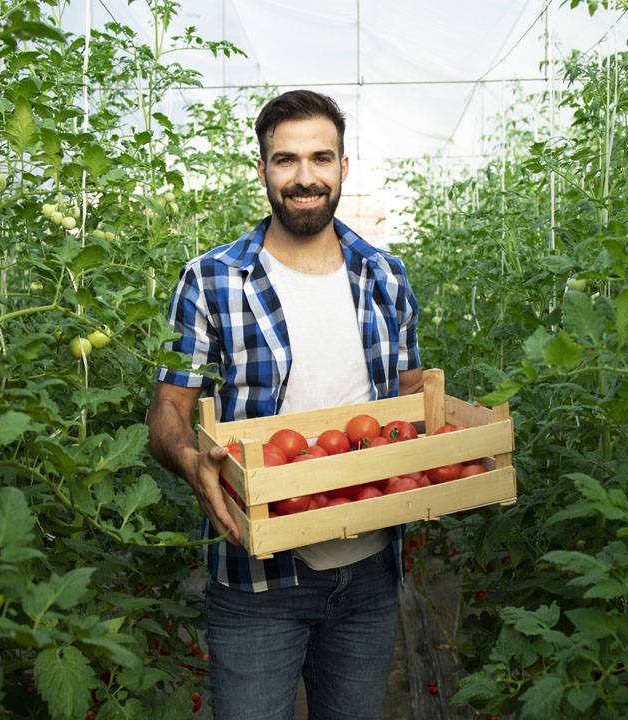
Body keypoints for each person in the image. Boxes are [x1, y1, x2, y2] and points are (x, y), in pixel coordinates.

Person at [147, 89, 423, 720]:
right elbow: (168, 408)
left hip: (372, 570)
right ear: (264, 169)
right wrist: (190, 461)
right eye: (286, 160)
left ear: (344, 167)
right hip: (256, 572)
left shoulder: (385, 275)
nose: (305, 178)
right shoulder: (211, 279)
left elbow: (407, 398)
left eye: (321, 158)